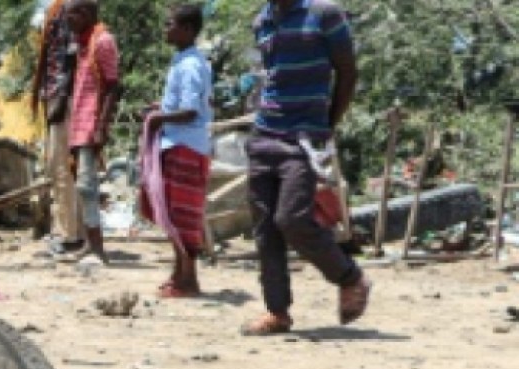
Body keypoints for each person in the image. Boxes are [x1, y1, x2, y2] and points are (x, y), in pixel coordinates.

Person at [241, 0, 371, 335]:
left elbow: (348, 71)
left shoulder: (324, 14)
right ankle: (277, 312)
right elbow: (272, 76)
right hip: (264, 134)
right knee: (266, 230)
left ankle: (349, 277)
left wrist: (327, 125)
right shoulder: (263, 20)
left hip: (303, 136)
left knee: (292, 218)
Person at [141, 3, 212, 298]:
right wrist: (162, 109)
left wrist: (161, 118)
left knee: (182, 216)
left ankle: (189, 279)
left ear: (186, 29)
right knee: (172, 213)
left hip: (186, 145)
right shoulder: (183, 61)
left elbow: (191, 111)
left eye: (170, 24)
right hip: (177, 143)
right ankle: (179, 274)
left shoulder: (192, 65)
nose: (165, 29)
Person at [64, 0, 118, 264]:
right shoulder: (84, 42)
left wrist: (101, 126)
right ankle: (90, 243)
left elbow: (112, 87)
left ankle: (97, 247)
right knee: (83, 184)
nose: (68, 20)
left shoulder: (102, 41)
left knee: (87, 186)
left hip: (91, 123)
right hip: (80, 122)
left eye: (71, 15)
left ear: (85, 14)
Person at [31, 0, 82, 256]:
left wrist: (61, 99)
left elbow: (72, 56)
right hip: (60, 95)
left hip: (63, 97)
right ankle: (73, 231)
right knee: (63, 167)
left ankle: (69, 235)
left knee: (62, 167)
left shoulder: (66, 8)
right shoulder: (58, 7)